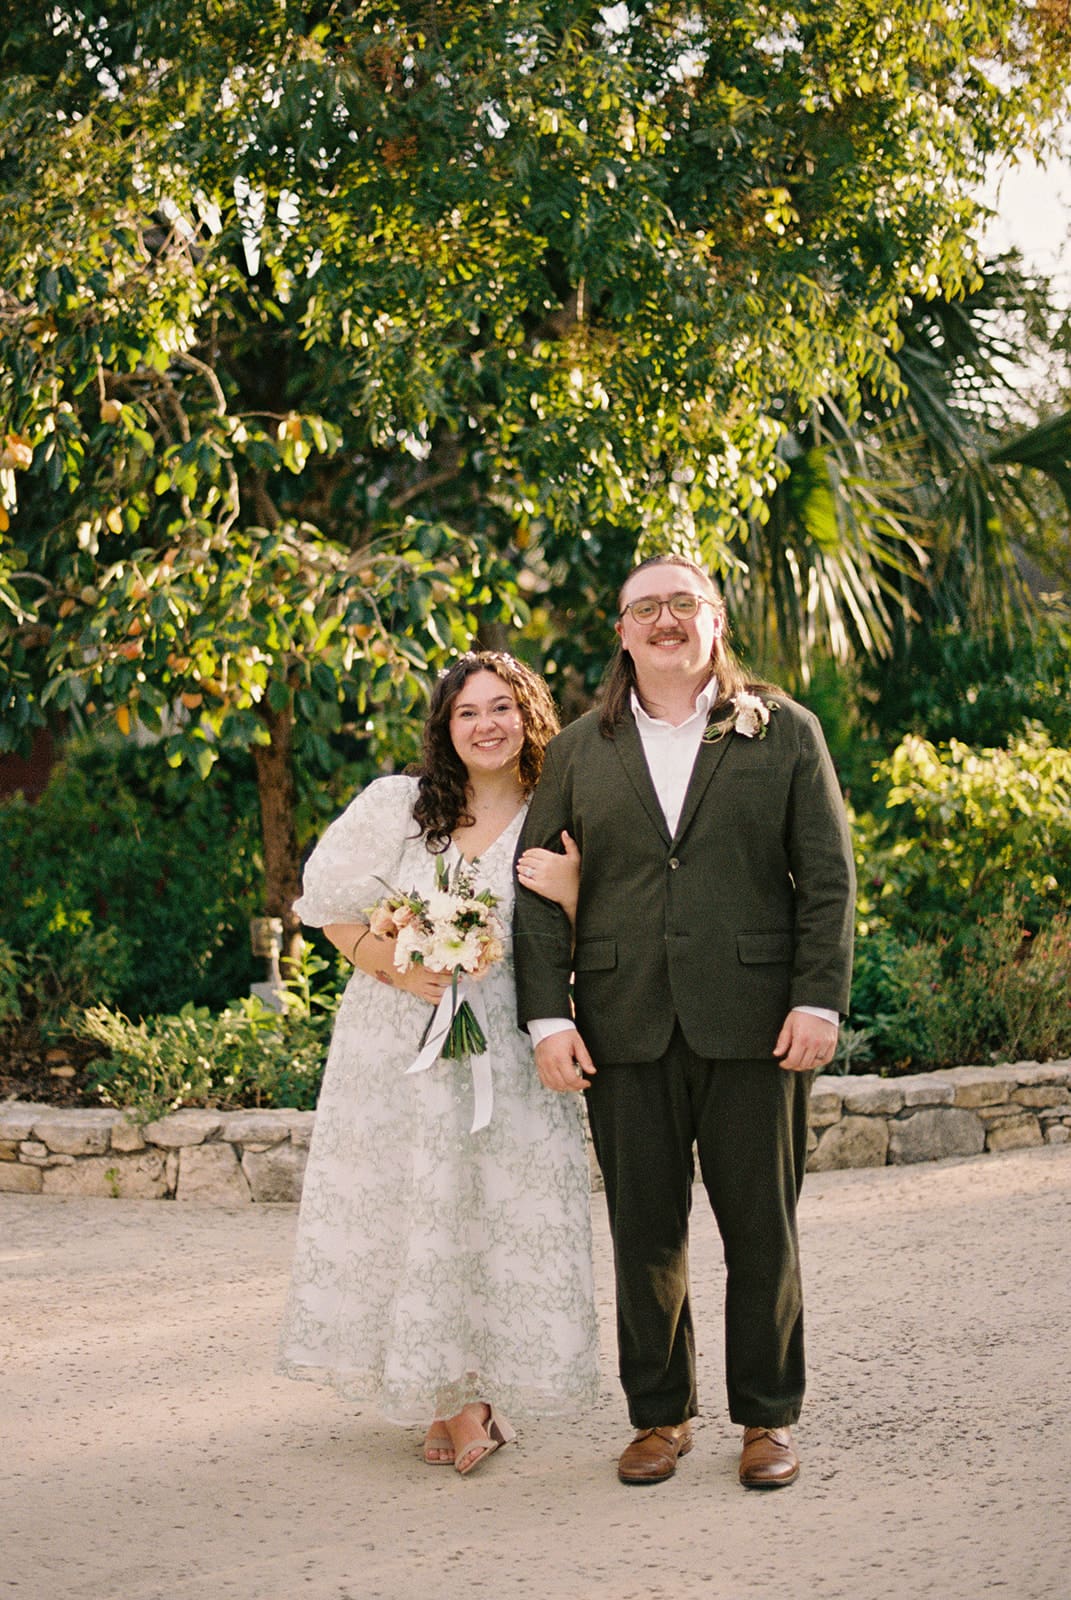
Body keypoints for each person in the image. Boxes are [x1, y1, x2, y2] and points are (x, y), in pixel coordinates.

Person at [514, 555, 855, 1490]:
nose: (664, 621)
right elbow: (538, 890)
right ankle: (658, 1417)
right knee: (644, 1234)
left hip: (757, 1023)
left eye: (681, 604)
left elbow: (826, 881)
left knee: (761, 1230)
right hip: (624, 1024)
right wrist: (548, 1018)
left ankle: (768, 1419)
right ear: (620, 631)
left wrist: (816, 999)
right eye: (644, 608)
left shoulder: (784, 731)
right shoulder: (581, 748)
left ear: (713, 620)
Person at [278, 651, 599, 1476]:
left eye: (502, 707)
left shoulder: (561, 811)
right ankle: (449, 1402)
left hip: (510, 1040)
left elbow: (612, 920)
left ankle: (476, 1391)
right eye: (467, 712)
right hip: (399, 1040)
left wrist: (571, 889)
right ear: (445, 727)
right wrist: (396, 965)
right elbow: (329, 914)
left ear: (529, 717)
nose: (486, 725)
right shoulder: (397, 805)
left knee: (496, 1208)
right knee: (415, 1203)